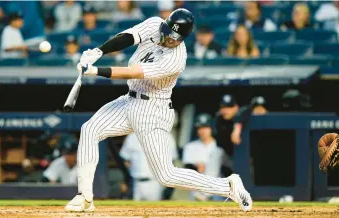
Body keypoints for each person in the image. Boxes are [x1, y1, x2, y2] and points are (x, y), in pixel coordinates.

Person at [64, 8, 252, 212]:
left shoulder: (176, 59)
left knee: (166, 175)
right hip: (129, 100)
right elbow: (128, 37)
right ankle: (84, 197)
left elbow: (133, 72)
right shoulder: (154, 24)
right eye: (169, 34)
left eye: (175, 39)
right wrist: (98, 52)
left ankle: (228, 186)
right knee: (89, 130)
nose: (170, 40)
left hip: (152, 110)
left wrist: (95, 70)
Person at [120, 132, 178, 201]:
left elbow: (171, 163)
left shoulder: (167, 136)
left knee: (153, 210)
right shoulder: (132, 136)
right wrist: (126, 181)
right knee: (132, 210)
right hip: (135, 183)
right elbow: (126, 161)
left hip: (156, 183)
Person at [183, 114, 225, 201]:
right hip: (197, 192)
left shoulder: (219, 146)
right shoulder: (190, 147)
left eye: (205, 127)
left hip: (217, 191)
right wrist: (196, 167)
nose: (202, 131)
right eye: (199, 128)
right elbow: (186, 169)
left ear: (211, 128)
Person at [215, 94, 240, 176]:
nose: (225, 110)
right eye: (223, 107)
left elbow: (247, 110)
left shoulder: (243, 117)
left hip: (245, 160)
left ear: (236, 107)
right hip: (229, 160)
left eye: (229, 107)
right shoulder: (219, 120)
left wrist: (237, 127)